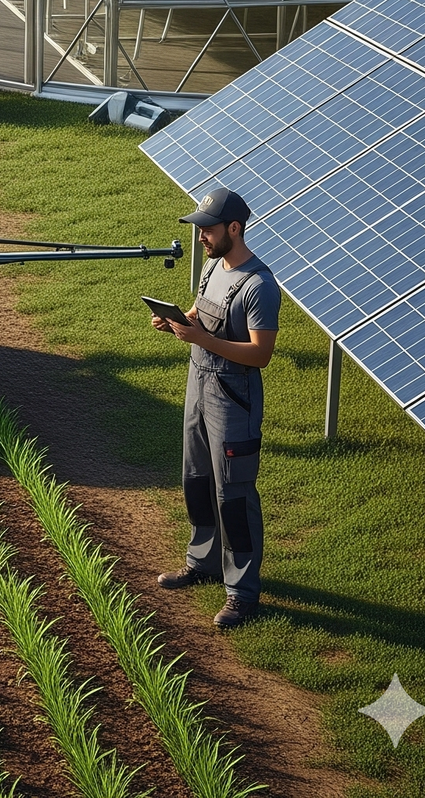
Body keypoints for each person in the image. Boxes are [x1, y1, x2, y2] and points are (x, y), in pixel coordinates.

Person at [150, 186, 279, 629]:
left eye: (207, 228)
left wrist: (202, 339)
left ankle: (242, 593)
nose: (200, 235)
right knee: (197, 478)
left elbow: (260, 354)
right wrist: (177, 323)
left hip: (233, 398)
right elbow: (198, 315)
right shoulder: (211, 267)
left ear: (234, 228)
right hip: (198, 385)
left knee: (234, 493)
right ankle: (203, 561)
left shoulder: (260, 286)